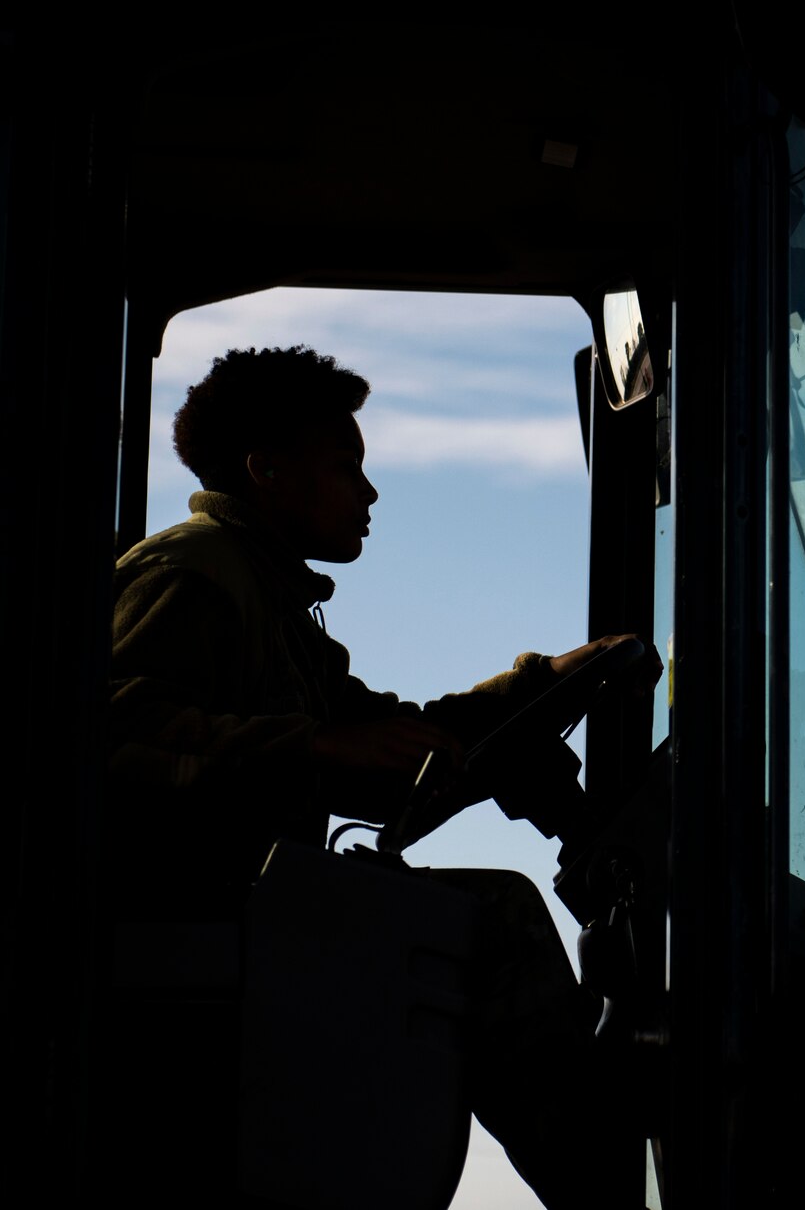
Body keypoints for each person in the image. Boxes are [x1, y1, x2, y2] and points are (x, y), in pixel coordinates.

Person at [105, 344, 647, 1208]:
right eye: (345, 465)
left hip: (257, 927)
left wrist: (548, 684)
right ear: (267, 471)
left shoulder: (273, 601)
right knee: (495, 920)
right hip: (203, 937)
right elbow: (108, 735)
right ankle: (615, 1197)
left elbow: (394, 740)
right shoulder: (193, 573)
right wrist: (312, 749)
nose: (370, 491)